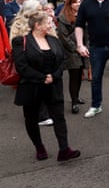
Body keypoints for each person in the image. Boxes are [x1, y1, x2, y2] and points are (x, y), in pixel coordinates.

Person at [12, 10, 80, 162]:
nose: (51, 24)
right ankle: (39, 147)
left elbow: (62, 60)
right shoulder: (20, 41)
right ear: (37, 25)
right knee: (31, 118)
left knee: (59, 117)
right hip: (32, 87)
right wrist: (42, 78)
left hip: (53, 85)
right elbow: (21, 66)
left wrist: (53, 76)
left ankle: (64, 149)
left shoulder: (53, 40)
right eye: (48, 22)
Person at [75, 0, 109, 118]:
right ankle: (95, 105)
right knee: (96, 78)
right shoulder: (86, 4)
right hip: (96, 47)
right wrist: (80, 44)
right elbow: (79, 26)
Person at [57, 0, 87, 114]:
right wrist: (76, 48)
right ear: (70, 4)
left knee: (79, 74)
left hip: (83, 49)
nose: (78, 4)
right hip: (71, 51)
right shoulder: (63, 17)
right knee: (73, 76)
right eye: (75, 2)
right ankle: (74, 101)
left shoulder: (83, 15)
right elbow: (63, 37)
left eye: (79, 2)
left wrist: (84, 47)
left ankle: (77, 96)